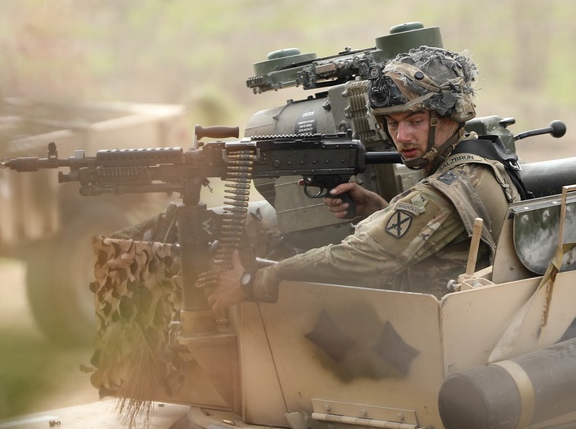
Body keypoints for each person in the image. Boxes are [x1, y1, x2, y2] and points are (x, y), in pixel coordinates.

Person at [206, 45, 525, 311]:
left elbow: (354, 260)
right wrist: (379, 210)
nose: (402, 136)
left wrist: (253, 281)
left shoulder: (446, 190)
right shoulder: (482, 161)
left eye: (415, 120)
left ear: (451, 116)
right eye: (392, 123)